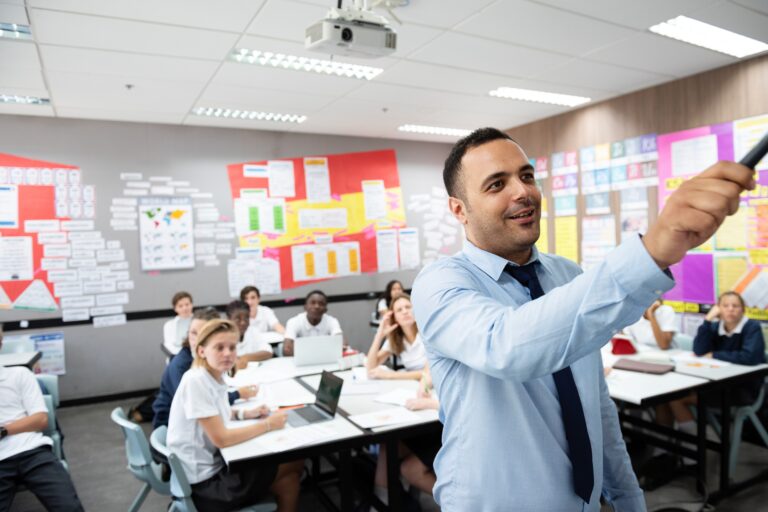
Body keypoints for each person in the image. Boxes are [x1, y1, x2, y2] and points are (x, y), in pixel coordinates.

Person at [411, 127, 754, 510]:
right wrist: (652, 250)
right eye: (496, 184)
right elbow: (508, 346)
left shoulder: (567, 276)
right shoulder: (441, 283)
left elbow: (596, 404)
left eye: (526, 176)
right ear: (459, 210)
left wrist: (628, 498)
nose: (522, 191)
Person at [167, 319, 303, 511]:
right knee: (294, 462)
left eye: (232, 347)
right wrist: (268, 424)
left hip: (207, 472)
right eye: (219, 347)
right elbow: (221, 439)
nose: (227, 354)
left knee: (289, 479)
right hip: (204, 486)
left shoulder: (212, 375)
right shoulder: (196, 381)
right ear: (201, 351)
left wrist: (245, 413)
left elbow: (213, 413)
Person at [0, 327, 85, 511]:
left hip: (32, 452)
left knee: (69, 508)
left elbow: (40, 420)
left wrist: (4, 430)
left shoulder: (20, 375)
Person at [665, 291, 766, 433]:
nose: (730, 309)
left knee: (677, 399)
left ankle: (694, 443)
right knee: (673, 394)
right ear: (718, 309)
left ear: (742, 309)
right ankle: (694, 441)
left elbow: (749, 357)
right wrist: (707, 319)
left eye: (735, 306)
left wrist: (714, 354)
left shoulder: (752, 327)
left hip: (743, 389)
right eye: (725, 306)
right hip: (717, 384)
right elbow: (699, 351)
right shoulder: (715, 326)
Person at [153, 307, 259, 430]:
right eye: (193, 332)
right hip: (169, 426)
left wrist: (242, 414)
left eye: (202, 333)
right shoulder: (183, 367)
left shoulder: (206, 361)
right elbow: (204, 400)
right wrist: (238, 394)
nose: (196, 340)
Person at [371, 365, 441, 508]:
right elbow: (428, 371)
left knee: (410, 469)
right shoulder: (440, 345)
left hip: (452, 431)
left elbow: (467, 406)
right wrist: (424, 385)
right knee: (389, 445)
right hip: (434, 422)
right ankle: (381, 503)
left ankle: (459, 505)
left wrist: (431, 403)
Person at [366, 293, 426, 380]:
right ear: (394, 318)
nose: (405, 312)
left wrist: (389, 375)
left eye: (408, 307)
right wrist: (379, 335)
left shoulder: (426, 334)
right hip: (414, 386)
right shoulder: (396, 339)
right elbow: (371, 368)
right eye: (399, 310)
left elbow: (429, 373)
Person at [282, 290, 343, 357]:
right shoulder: (294, 322)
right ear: (305, 307)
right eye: (312, 303)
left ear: (326, 309)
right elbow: (286, 350)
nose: (317, 306)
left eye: (321, 303)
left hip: (325, 361)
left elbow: (341, 343)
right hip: (301, 363)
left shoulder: (332, 321)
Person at [227, 300, 273, 368]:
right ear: (229, 319)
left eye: (246, 318)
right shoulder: (222, 336)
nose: (243, 322)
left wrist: (245, 357)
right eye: (238, 319)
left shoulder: (253, 331)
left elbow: (268, 352)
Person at [163, 291, 194, 356]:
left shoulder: (200, 322)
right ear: (175, 309)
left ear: (192, 305)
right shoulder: (169, 325)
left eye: (187, 304)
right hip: (177, 357)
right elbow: (169, 345)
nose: (185, 308)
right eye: (180, 306)